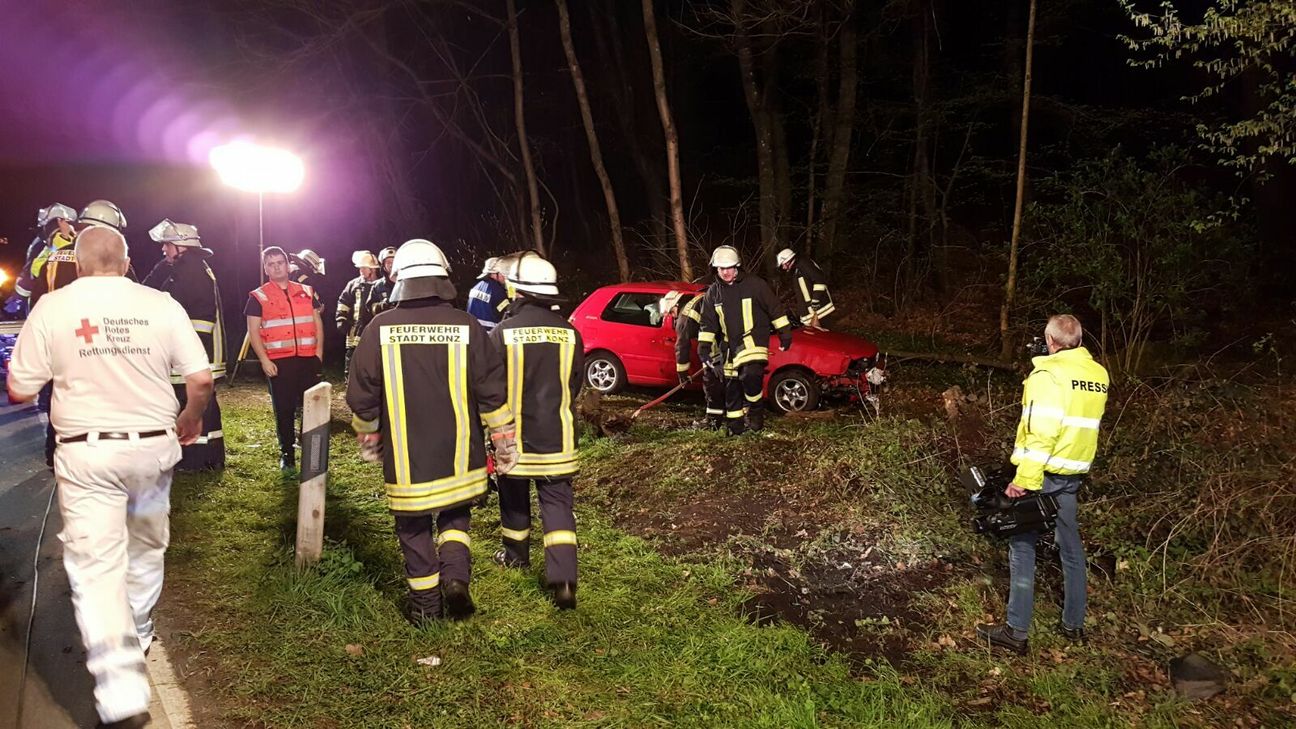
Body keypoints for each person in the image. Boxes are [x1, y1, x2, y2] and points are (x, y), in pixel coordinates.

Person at [6, 226, 213, 729]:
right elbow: (201, 377)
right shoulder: (160, 303)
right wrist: (191, 417)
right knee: (145, 546)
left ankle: (120, 692)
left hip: (87, 458)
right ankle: (139, 629)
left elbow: (17, 387)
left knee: (98, 566)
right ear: (124, 262)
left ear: (77, 264)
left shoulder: (54, 308)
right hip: (151, 451)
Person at [347, 238, 516, 624]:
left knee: (413, 526)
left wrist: (369, 439)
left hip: (408, 459)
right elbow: (492, 391)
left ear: (399, 279)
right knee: (455, 516)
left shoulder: (379, 328)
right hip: (461, 452)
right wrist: (504, 442)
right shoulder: (467, 325)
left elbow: (361, 395)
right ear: (442, 278)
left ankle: (426, 608)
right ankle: (456, 578)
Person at [976, 314, 1109, 655]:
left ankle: (1016, 631)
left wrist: (1023, 481)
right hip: (1072, 475)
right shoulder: (1097, 374)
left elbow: (1042, 433)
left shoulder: (1048, 375)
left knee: (1022, 546)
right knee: (1071, 548)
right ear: (1078, 340)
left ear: (1050, 341)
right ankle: (1073, 625)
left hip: (1044, 475)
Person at [490, 253, 583, 609]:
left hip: (513, 439)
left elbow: (491, 388)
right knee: (557, 505)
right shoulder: (571, 333)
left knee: (513, 499)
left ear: (517, 290)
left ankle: (516, 556)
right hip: (558, 437)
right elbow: (574, 384)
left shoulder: (502, 333)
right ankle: (564, 581)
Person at [142, 219, 226, 470]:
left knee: (192, 403)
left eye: (167, 245)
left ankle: (194, 459)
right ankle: (209, 456)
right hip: (202, 351)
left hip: (196, 351)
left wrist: (181, 354)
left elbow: (180, 311)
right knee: (205, 404)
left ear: (181, 246)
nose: (163, 249)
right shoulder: (191, 266)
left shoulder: (188, 271)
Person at [696, 245, 792, 435]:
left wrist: (785, 332)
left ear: (738, 266)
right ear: (716, 269)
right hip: (729, 347)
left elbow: (775, 309)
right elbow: (707, 324)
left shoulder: (755, 285)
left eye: (730, 267)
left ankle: (755, 411)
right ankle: (736, 427)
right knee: (732, 388)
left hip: (753, 340)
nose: (726, 272)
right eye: (722, 268)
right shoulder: (713, 294)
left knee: (750, 373)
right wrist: (704, 348)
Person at [245, 246, 324, 471]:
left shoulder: (307, 291)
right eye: (271, 264)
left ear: (288, 265)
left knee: (311, 407)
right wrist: (264, 360)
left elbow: (317, 323)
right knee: (285, 409)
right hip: (279, 363)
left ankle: (312, 451)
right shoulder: (258, 296)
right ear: (265, 268)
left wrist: (319, 354)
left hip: (308, 359)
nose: (276, 267)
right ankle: (287, 453)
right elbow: (253, 331)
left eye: (280, 262)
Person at [661, 288, 725, 429]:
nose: (673, 317)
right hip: (732, 343)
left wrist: (682, 374)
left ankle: (713, 422)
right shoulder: (697, 299)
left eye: (672, 312)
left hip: (716, 351)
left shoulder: (684, 317)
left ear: (676, 305)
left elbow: (682, 346)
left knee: (711, 385)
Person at [336, 250, 383, 375]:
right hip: (355, 328)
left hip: (374, 328)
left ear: (372, 269)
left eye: (363, 268)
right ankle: (350, 385)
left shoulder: (381, 285)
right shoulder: (354, 284)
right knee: (352, 359)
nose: (360, 271)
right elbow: (343, 302)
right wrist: (341, 319)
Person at [775, 248, 834, 328]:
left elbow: (819, 279)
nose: (783, 268)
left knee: (824, 337)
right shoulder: (797, 270)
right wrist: (778, 300)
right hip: (810, 312)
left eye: (783, 264)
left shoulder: (804, 264)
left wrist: (815, 300)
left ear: (789, 260)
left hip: (820, 310)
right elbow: (795, 289)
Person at [466, 256, 509, 332]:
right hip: (491, 334)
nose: (505, 276)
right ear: (495, 273)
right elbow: (505, 314)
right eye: (503, 273)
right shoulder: (498, 291)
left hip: (474, 332)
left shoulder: (476, 287)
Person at [368, 246, 399, 320]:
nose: (391, 265)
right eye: (388, 262)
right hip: (385, 325)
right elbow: (369, 308)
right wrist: (382, 306)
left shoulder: (406, 283)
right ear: (383, 266)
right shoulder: (378, 286)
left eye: (393, 261)